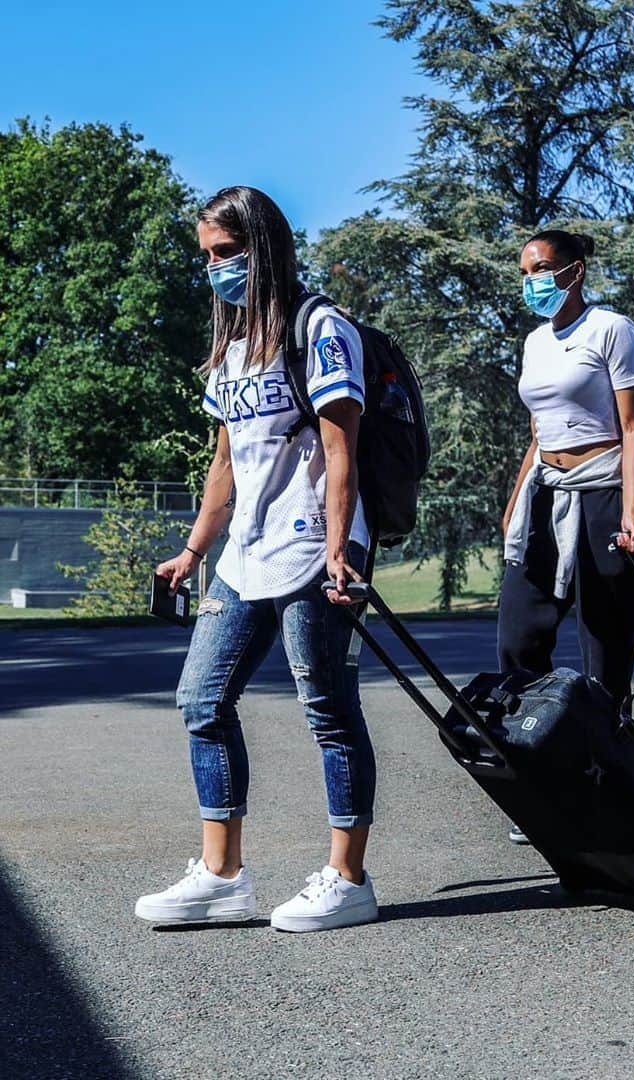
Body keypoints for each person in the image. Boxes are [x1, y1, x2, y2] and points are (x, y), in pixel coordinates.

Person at [134, 186, 379, 931]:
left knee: (328, 713)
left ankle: (347, 878)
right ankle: (221, 875)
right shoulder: (233, 349)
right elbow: (226, 464)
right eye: (206, 256)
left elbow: (342, 453)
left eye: (226, 254)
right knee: (200, 700)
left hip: (316, 548)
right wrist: (193, 548)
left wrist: (341, 548)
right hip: (246, 551)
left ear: (263, 248)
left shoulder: (322, 329)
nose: (214, 269)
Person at [499, 230, 634, 842]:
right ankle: (540, 778)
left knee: (605, 652)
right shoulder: (536, 342)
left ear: (575, 270)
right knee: (519, 640)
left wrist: (630, 510)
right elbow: (540, 431)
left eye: (542, 268)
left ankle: (605, 786)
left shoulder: (613, 330)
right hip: (547, 493)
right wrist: (516, 504)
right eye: (525, 271)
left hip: (603, 492)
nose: (532, 280)